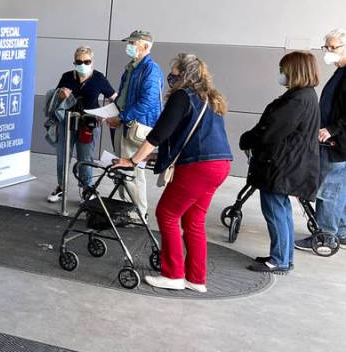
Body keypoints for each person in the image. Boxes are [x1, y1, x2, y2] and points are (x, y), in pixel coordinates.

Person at [113, 54, 233, 292]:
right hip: (220, 164)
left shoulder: (182, 96)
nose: (171, 78)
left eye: (175, 73)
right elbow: (194, 135)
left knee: (167, 213)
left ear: (184, 76)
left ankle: (174, 274)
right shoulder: (209, 97)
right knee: (194, 221)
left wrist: (133, 161)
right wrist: (154, 156)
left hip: (197, 166)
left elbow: (160, 133)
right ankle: (196, 279)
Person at [240, 51, 321, 274]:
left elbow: (272, 130)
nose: (281, 74)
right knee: (281, 211)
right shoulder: (305, 95)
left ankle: (279, 260)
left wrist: (248, 138)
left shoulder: (297, 100)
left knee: (275, 211)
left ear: (295, 70)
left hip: (282, 165)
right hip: (289, 164)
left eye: (283, 69)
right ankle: (284, 256)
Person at [297, 29, 346, 250]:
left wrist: (332, 129)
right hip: (336, 141)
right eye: (326, 46)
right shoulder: (340, 71)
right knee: (340, 189)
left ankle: (325, 236)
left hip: (338, 143)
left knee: (329, 191)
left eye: (332, 47)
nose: (327, 51)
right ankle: (341, 231)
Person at [46, 46, 116, 201]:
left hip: (89, 123)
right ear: (74, 62)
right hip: (68, 120)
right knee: (63, 155)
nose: (82, 64)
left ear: (92, 62)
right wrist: (61, 96)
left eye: (86, 61)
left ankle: (87, 189)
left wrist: (106, 114)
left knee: (86, 157)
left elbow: (114, 97)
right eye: (79, 61)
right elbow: (55, 99)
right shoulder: (67, 77)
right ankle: (61, 186)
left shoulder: (98, 77)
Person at [108, 30, 163, 219]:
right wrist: (112, 112)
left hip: (137, 126)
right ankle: (126, 209)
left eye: (133, 43)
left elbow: (148, 102)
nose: (129, 46)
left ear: (146, 46)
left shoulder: (151, 70)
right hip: (124, 123)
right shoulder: (131, 67)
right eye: (129, 43)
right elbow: (123, 95)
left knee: (134, 172)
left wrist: (122, 117)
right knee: (123, 170)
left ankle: (138, 214)